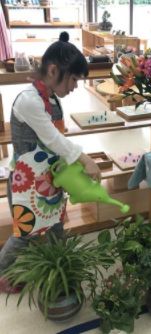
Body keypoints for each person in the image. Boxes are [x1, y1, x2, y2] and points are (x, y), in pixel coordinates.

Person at [0, 32, 101, 292]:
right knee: (25, 234)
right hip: (26, 182)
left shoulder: (52, 98)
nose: (75, 86)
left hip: (49, 179)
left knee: (56, 227)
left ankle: (62, 273)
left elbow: (57, 143)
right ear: (54, 70)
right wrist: (85, 160)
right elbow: (54, 139)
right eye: (74, 79)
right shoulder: (29, 101)